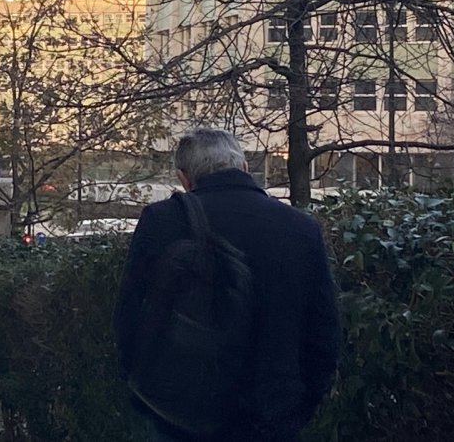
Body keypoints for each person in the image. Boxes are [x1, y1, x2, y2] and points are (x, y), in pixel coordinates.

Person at [115, 129, 340, 442]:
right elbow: (323, 335)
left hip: (182, 414)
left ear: (184, 177)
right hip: (271, 414)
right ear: (244, 167)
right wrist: (299, 409)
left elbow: (129, 317)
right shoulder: (301, 229)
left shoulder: (162, 221)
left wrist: (146, 394)